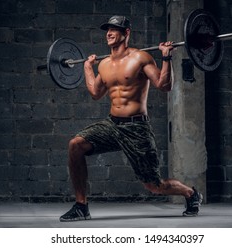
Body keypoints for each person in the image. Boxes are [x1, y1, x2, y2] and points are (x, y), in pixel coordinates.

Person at [59, 15, 203, 222]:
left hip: (136, 128)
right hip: (112, 124)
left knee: (154, 186)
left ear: (126, 33)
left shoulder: (141, 58)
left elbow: (164, 86)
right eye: (107, 29)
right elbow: (95, 93)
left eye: (114, 29)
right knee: (76, 144)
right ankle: (81, 206)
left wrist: (166, 57)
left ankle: (191, 193)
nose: (108, 33)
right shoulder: (105, 64)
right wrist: (87, 69)